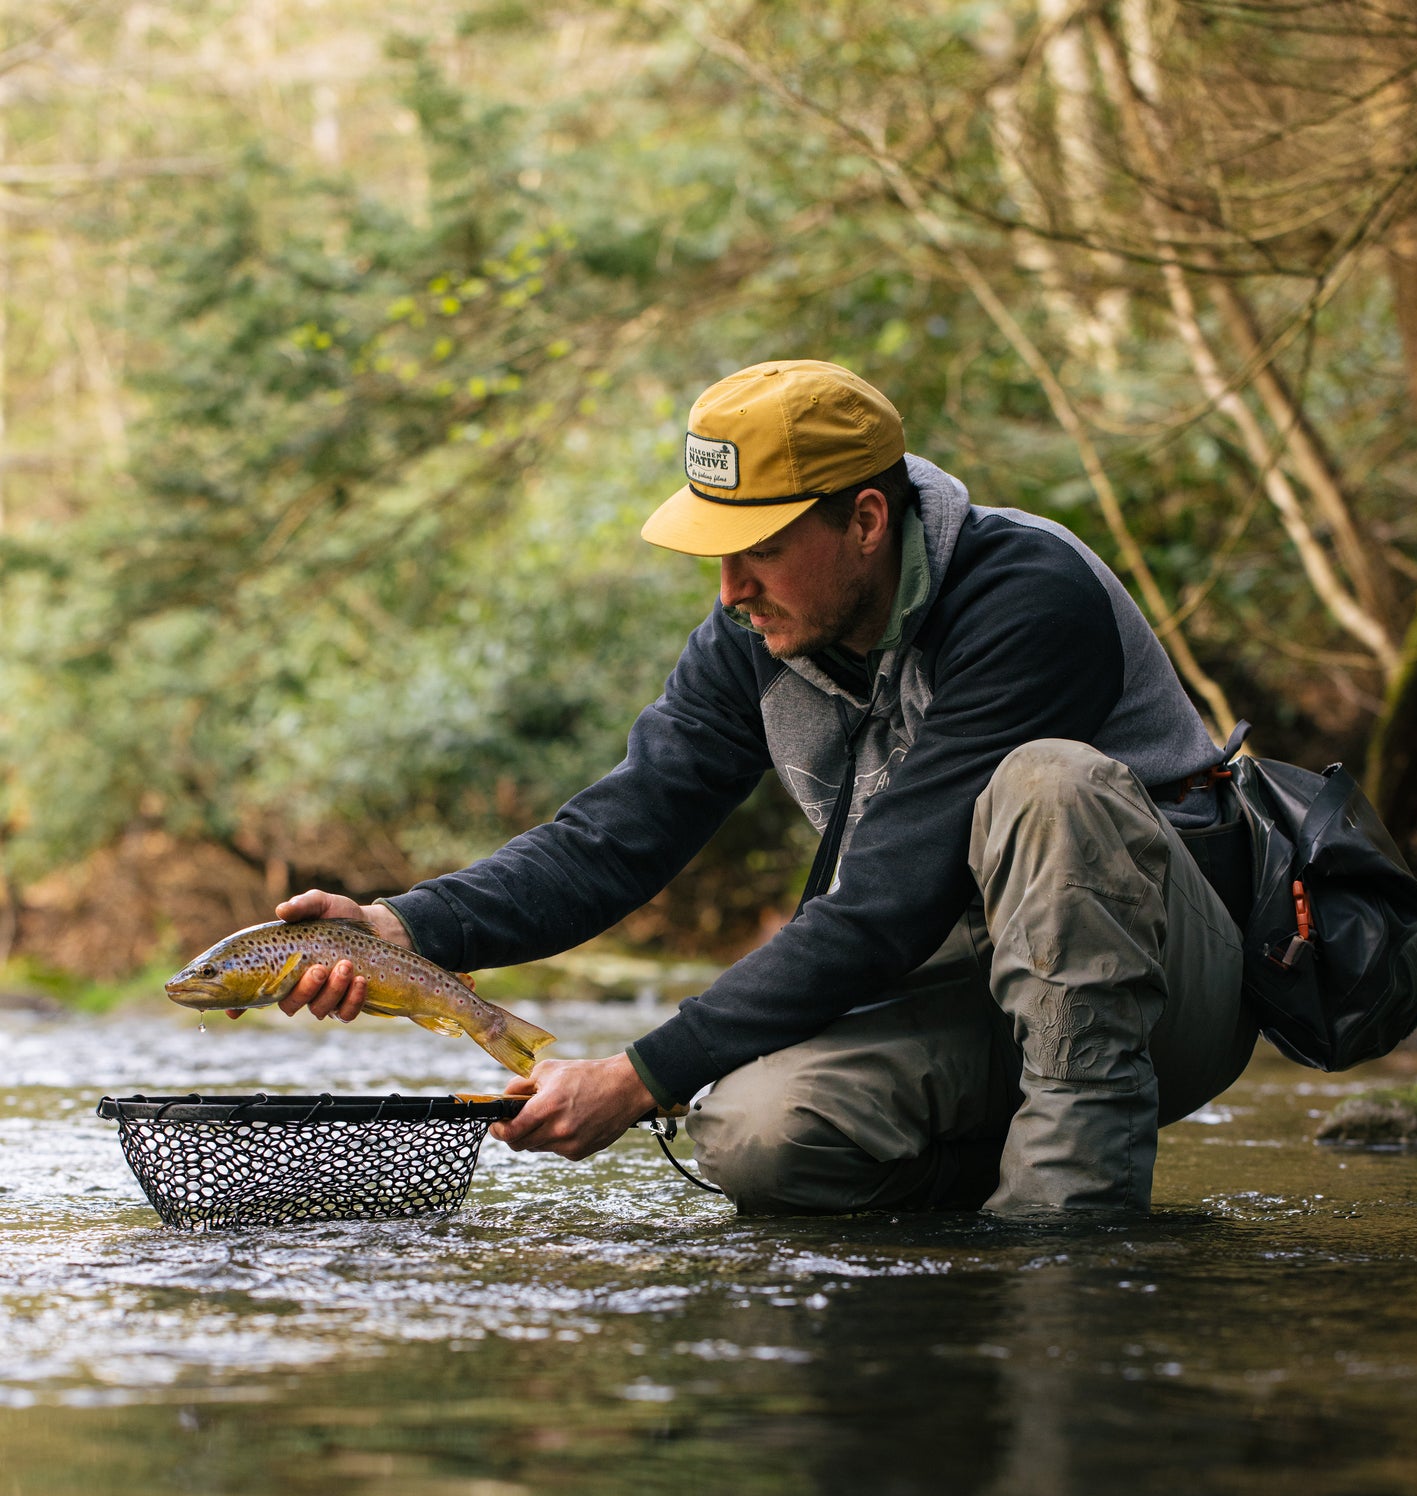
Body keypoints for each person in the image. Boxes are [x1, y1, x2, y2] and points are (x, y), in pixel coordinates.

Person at [261, 359, 1256, 1215]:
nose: (730, 589)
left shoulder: (1027, 598)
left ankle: (1070, 1241)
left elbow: (882, 902)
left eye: (762, 550)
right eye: (716, 552)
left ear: (866, 520)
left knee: (1048, 785)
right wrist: (402, 930)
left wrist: (640, 1074)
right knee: (754, 1134)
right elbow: (615, 836)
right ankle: (983, 1226)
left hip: (1166, 991)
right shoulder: (754, 635)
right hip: (965, 990)